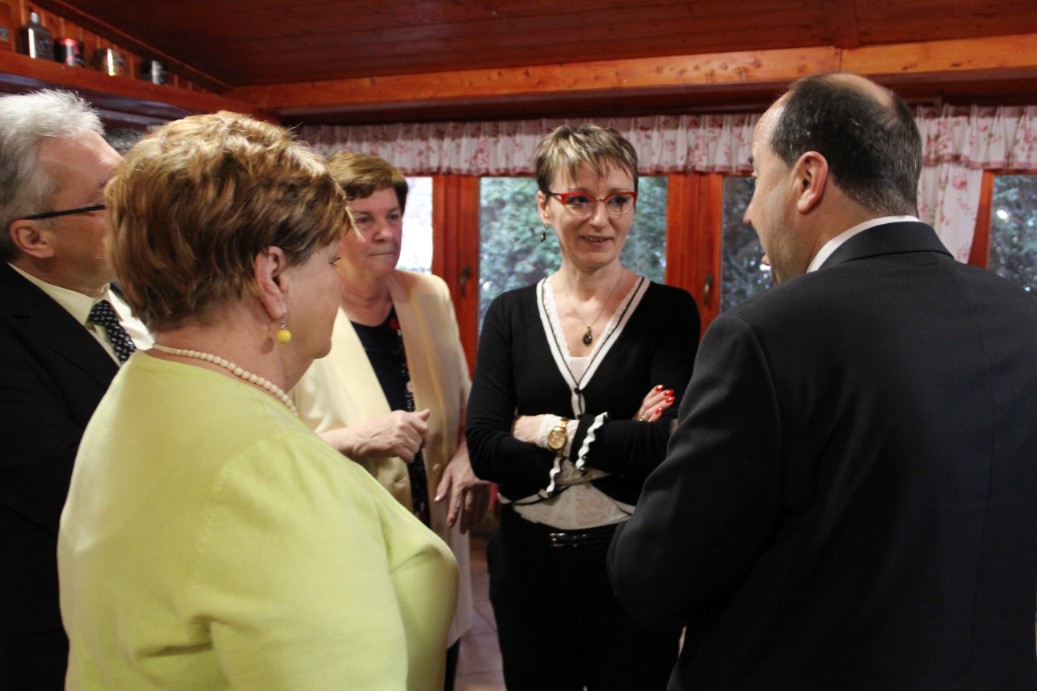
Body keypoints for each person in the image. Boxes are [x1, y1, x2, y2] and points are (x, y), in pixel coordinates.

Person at [608, 72, 1037, 689]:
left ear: (807, 180)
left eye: (756, 177)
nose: (749, 211)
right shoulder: (1022, 320)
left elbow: (652, 578)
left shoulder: (766, 335)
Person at [58, 112, 458, 690]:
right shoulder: (271, 469)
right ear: (272, 278)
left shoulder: (139, 388)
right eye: (329, 260)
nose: (336, 282)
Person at [465, 124, 701, 690]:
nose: (602, 219)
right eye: (579, 200)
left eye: (619, 200)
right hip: (527, 567)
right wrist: (619, 438)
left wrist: (542, 429)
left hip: (634, 563)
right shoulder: (510, 315)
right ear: (544, 207)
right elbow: (484, 448)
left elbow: (664, 445)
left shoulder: (668, 312)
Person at [292, 151, 491, 690]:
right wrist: (355, 438)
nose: (385, 233)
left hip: (438, 546)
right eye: (363, 219)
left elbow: (467, 407)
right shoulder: (293, 314)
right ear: (327, 229)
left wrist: (471, 457)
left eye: (394, 216)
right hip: (352, 560)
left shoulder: (430, 295)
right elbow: (270, 451)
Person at [0, 89, 151, 689]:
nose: (139, 211)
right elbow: (77, 485)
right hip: (61, 643)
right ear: (34, 238)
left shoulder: (130, 291)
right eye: (110, 200)